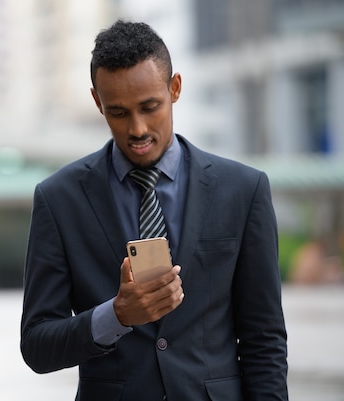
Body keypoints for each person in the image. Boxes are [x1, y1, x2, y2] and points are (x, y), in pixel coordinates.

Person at [20, 20, 288, 400]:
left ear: (175, 88)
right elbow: (36, 345)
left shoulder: (243, 190)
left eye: (150, 107)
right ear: (97, 102)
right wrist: (116, 316)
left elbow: (265, 340)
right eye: (118, 112)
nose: (138, 128)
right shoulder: (59, 199)